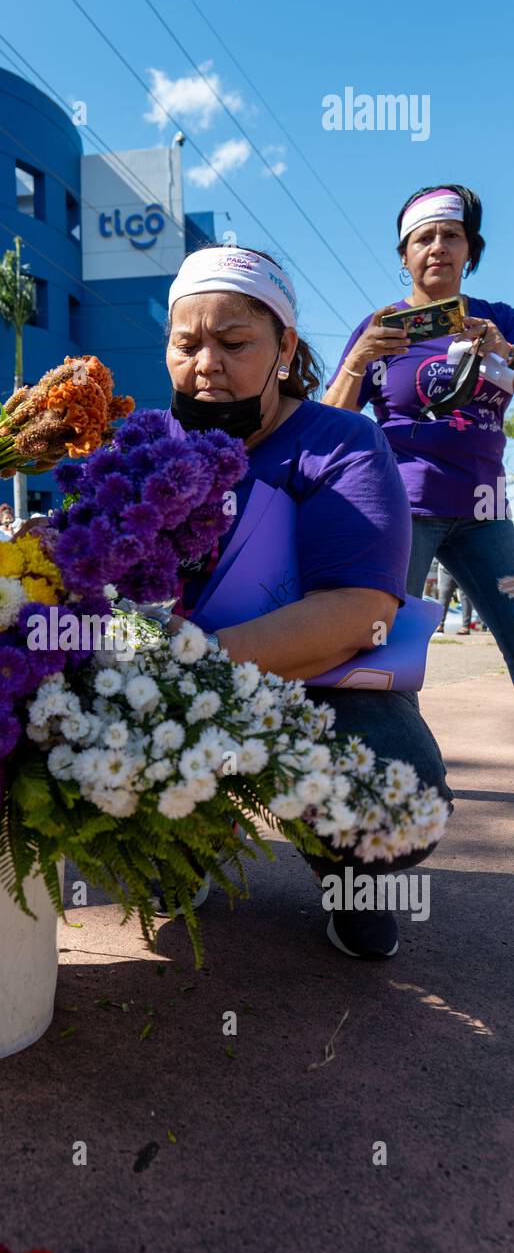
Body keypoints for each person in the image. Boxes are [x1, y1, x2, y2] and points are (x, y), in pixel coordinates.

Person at [161, 245, 452, 959]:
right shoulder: (151, 446)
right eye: (186, 345)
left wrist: (185, 666)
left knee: (392, 796)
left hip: (317, 691)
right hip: (176, 692)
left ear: (285, 347)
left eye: (233, 343)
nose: (206, 365)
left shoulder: (344, 442)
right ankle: (182, 848)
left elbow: (360, 613)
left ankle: (352, 876)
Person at [324, 186, 514, 682]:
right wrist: (357, 359)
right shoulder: (380, 328)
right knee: (386, 653)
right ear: (404, 257)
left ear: (470, 249)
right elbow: (326, 422)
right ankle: (394, 754)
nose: (438, 247)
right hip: (404, 512)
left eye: (451, 235)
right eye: (423, 238)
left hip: (486, 511)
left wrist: (506, 352)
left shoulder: (501, 319)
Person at [436, 563, 472, 634]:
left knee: (465, 597)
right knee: (444, 597)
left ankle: (466, 626)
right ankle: (439, 625)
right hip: (446, 568)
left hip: (464, 567)